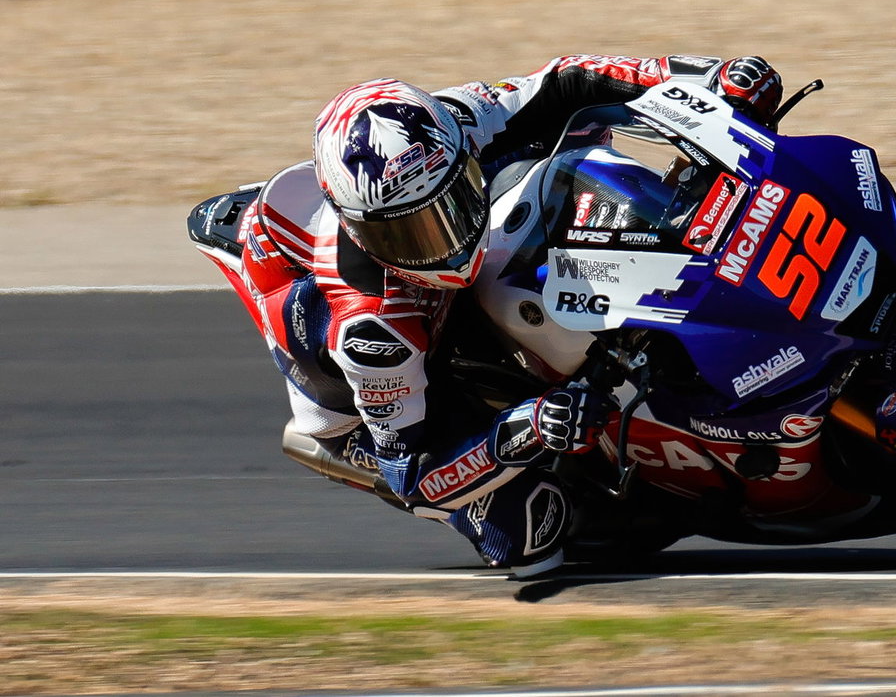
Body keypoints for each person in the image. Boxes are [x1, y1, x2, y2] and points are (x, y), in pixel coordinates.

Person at [194, 54, 782, 578]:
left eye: (448, 208)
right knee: (531, 541)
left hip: (455, 261)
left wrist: (702, 78)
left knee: (563, 163)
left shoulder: (452, 121)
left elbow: (568, 78)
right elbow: (415, 476)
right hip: (383, 411)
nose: (442, 244)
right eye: (408, 233)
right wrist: (523, 430)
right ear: (357, 228)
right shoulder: (372, 332)